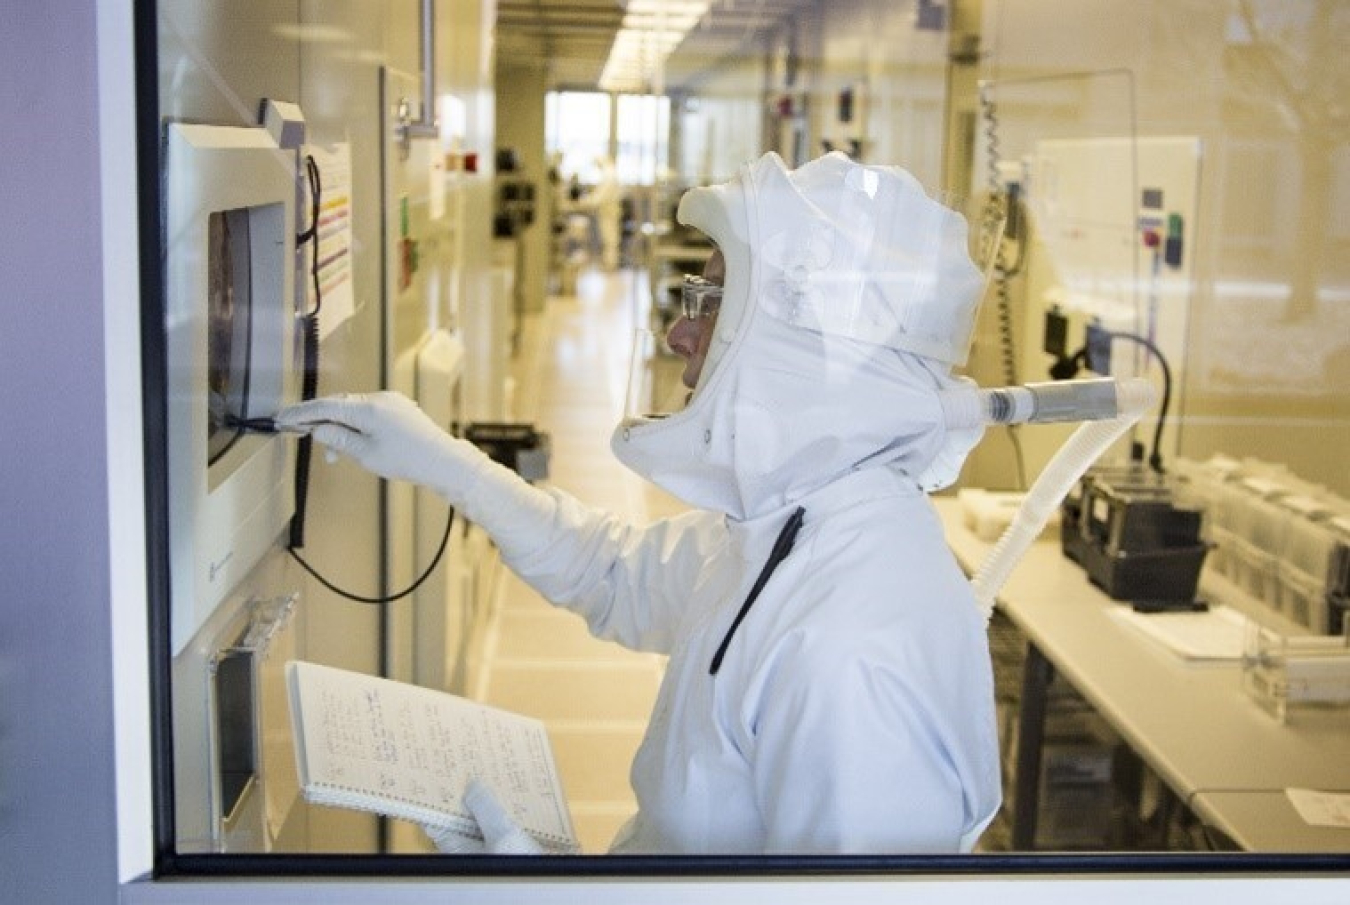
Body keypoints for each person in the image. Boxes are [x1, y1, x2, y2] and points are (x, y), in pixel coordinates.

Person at [277, 151, 1001, 855]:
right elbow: (616, 573)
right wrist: (450, 466)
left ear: (802, 350)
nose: (678, 330)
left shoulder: (854, 652)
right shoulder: (790, 520)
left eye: (715, 306)